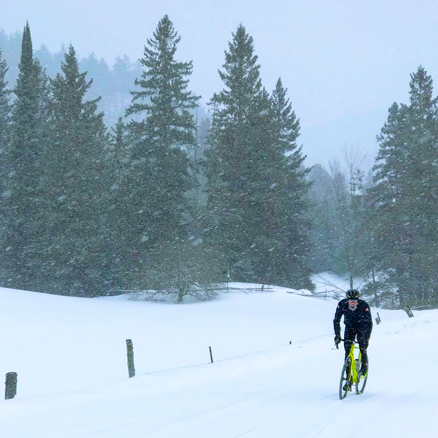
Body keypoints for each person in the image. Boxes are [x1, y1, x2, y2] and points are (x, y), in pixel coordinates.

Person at [333, 289, 373, 377]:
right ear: (347, 300)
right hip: (349, 328)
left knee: (363, 347)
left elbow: (369, 322)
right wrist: (337, 335)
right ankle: (348, 376)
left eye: (355, 301)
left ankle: (363, 368)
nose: (353, 303)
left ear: (358, 300)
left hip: (361, 328)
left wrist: (367, 337)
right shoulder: (342, 304)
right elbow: (336, 320)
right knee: (347, 351)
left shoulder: (363, 305)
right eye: (351, 301)